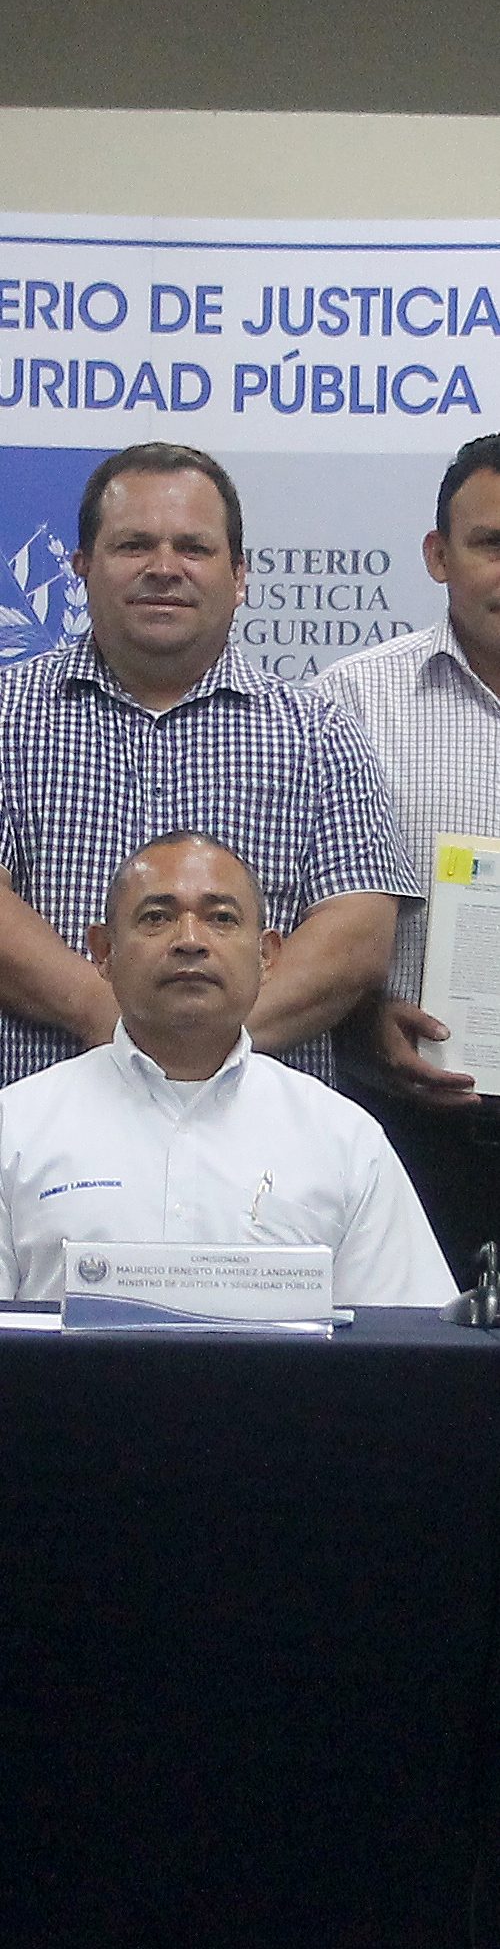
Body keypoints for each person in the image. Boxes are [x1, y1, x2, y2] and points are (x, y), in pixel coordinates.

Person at [0, 440, 417, 1093]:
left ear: (240, 574)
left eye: (193, 548)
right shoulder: (7, 714)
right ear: (81, 566)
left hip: (259, 1135)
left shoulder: (318, 732)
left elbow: (357, 934)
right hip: (41, 1125)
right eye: (134, 545)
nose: (164, 568)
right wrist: (106, 1017)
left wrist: (208, 1041)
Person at [0, 831, 455, 1308]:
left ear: (266, 956)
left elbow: (406, 1337)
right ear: (104, 952)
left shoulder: (344, 1140)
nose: (190, 941)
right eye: (157, 917)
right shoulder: (16, 1127)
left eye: (221, 918)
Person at [314, 434, 500, 1276]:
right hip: (407, 1134)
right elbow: (283, 909)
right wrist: (359, 1016)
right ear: (438, 555)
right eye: (491, 543)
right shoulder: (348, 704)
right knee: (408, 1352)